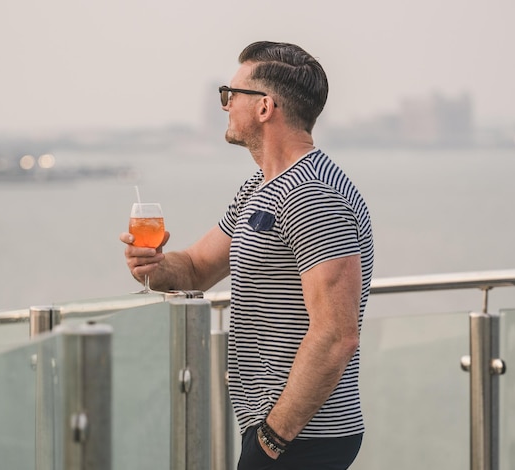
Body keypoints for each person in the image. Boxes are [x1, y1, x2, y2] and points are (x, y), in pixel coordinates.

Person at [120, 41, 374, 470]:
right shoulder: (261, 187)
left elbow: (336, 336)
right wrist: (155, 267)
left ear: (264, 107)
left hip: (301, 435)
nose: (225, 105)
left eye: (230, 93)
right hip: (280, 430)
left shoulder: (312, 195)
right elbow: (197, 268)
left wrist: (272, 440)